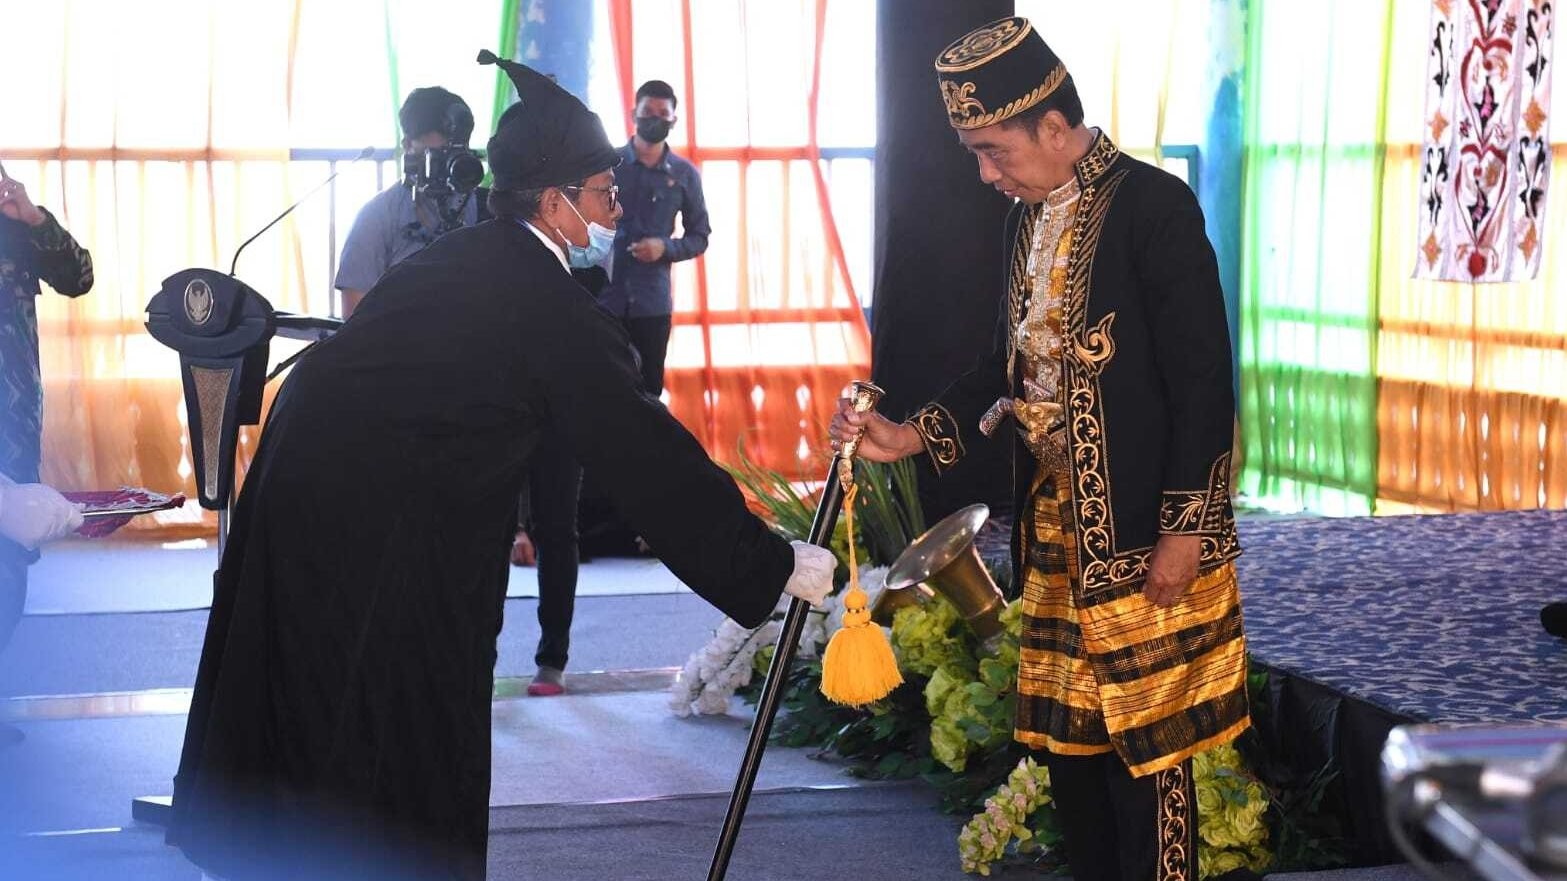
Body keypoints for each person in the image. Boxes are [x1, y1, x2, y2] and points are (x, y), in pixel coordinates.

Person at [167, 53, 835, 881]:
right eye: (602, 193)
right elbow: (641, 451)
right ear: (554, 203)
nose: (614, 210)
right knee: (401, 696)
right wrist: (770, 562)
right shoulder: (542, 300)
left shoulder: (476, 255)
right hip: (367, 509)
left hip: (312, 481)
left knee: (317, 687)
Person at [831, 18, 1247, 881]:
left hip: (1145, 530)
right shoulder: (1033, 215)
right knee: (1070, 746)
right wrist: (909, 434)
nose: (986, 175)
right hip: (1059, 529)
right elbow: (1004, 359)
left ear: (1052, 127)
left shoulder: (1154, 207)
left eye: (993, 151)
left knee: (1151, 743)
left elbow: (1205, 380)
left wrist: (1185, 531)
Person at [0, 169, 93, 746]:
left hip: (12, 427)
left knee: (10, 562)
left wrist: (32, 219)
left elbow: (79, 277)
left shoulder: (19, 227)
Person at [597, 79, 709, 397]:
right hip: (603, 299)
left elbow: (700, 236)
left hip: (652, 303)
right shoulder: (608, 166)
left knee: (648, 394)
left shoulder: (685, 174)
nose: (655, 119)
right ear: (634, 114)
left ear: (674, 120)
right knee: (600, 391)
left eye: (663, 113)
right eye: (648, 112)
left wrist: (665, 248)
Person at [334, 86, 483, 319]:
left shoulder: (487, 209)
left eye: (453, 154)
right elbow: (354, 316)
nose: (444, 165)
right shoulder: (378, 216)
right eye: (435, 155)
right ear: (408, 146)